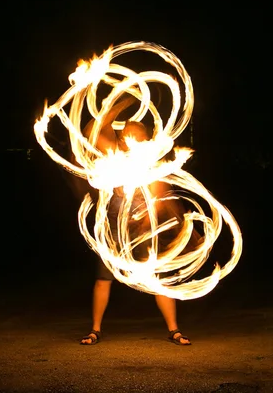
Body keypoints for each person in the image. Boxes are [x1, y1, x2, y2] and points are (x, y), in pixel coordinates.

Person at [69, 97, 194, 346]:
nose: (129, 139)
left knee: (158, 280)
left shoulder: (151, 165)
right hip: (115, 233)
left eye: (135, 135)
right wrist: (121, 102)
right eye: (125, 134)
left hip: (144, 233)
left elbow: (162, 198)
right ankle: (95, 330)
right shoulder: (111, 157)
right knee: (104, 279)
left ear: (145, 140)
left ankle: (174, 330)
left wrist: (181, 226)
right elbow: (90, 132)